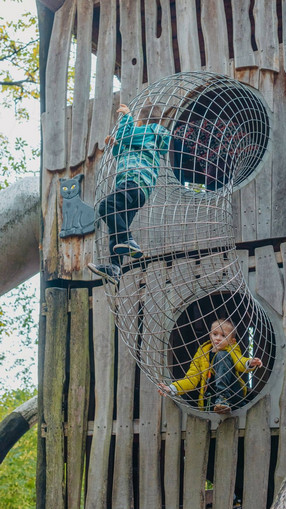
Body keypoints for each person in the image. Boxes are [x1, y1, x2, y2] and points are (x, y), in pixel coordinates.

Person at [88, 101, 171, 284]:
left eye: (134, 120)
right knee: (116, 226)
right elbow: (122, 153)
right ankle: (115, 268)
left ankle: (129, 240)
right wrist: (115, 144)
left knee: (106, 207)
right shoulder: (142, 139)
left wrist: (126, 116)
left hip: (133, 181)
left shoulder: (150, 131)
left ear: (140, 121)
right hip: (139, 189)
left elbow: (127, 136)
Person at [159, 318, 263, 414]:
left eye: (223, 336)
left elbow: (239, 361)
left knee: (222, 355)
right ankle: (219, 403)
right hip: (211, 397)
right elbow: (192, 378)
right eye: (215, 334)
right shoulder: (202, 351)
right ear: (210, 335)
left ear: (232, 341)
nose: (218, 338)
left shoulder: (232, 349)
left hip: (232, 393)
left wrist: (249, 363)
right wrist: (172, 388)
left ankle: (223, 397)